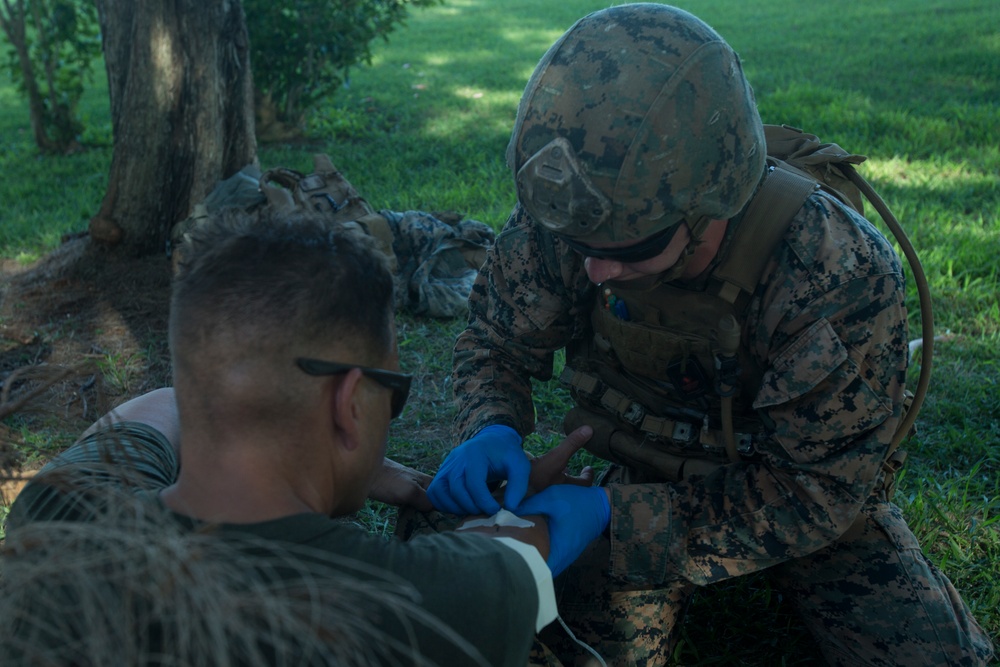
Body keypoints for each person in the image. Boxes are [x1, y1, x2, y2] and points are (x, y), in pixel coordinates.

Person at [426, 4, 995, 666]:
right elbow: (496, 339)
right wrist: (490, 426)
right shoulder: (587, 210)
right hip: (632, 467)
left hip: (793, 493)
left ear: (709, 204)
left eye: (631, 248)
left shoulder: (831, 270)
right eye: (580, 246)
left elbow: (817, 493)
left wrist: (618, 519)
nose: (597, 269)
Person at [4, 208, 611, 666]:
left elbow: (159, 408)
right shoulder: (421, 608)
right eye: (392, 393)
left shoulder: (59, 511)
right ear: (349, 404)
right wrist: (570, 506)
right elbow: (517, 549)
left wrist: (380, 475)